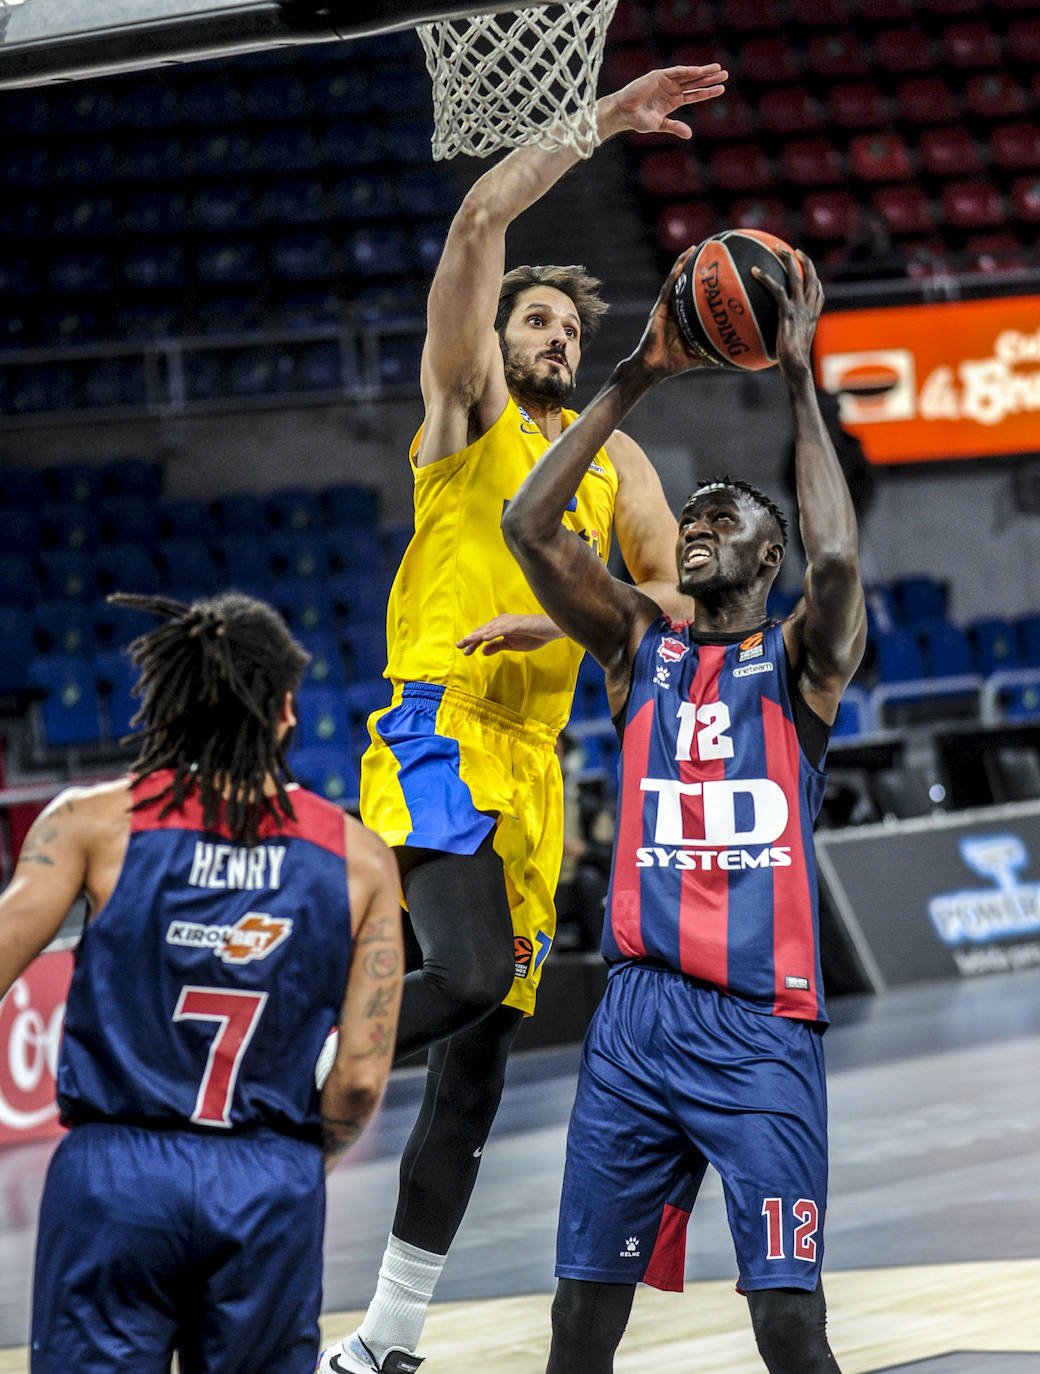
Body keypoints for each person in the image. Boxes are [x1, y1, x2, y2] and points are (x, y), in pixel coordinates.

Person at [318, 62, 729, 1374]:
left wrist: (567, 618)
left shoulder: (616, 464)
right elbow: (477, 227)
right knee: (478, 974)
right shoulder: (466, 415)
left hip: (539, 768)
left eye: (564, 323)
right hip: (440, 729)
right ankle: (296, 1058)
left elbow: (690, 587)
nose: (551, 334)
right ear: (493, 341)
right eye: (532, 318)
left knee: (483, 1066)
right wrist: (596, 124)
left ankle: (385, 1337)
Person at [501, 247, 866, 1374]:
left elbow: (840, 557)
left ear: (769, 555)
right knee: (578, 1321)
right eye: (691, 511)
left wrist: (798, 381)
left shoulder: (800, 664)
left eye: (727, 514)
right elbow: (527, 527)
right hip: (633, 1021)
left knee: (788, 1325)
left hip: (759, 1029)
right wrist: (638, 375)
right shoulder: (634, 648)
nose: (698, 521)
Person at [0, 591, 403, 1374]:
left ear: (168, 706)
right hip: (267, 1174)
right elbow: (358, 1080)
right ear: (288, 710)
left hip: (114, 1179)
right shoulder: (358, 859)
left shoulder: (90, 823)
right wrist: (294, 1163)